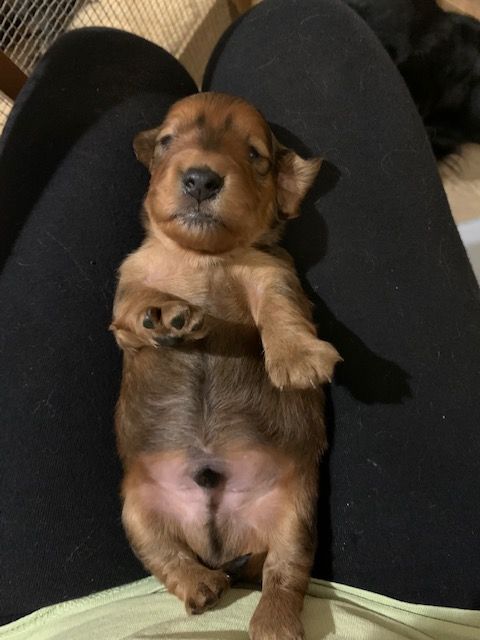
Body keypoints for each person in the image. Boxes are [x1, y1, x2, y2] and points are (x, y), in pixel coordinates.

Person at [1, 0, 479, 626]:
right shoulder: (141, 267)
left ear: (286, 192)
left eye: (252, 156)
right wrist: (144, 317)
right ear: (150, 168)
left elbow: (278, 310)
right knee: (139, 503)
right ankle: (178, 571)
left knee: (293, 497)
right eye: (169, 144)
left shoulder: (260, 267)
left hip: (254, 493)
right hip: (173, 491)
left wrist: (288, 341)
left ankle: (282, 591)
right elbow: (125, 321)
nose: (202, 170)